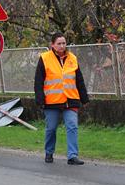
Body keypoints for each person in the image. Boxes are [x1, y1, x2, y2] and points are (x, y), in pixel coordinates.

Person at [34, 32, 89, 165]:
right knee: (51, 128)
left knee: (72, 126)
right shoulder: (44, 58)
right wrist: (40, 100)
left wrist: (84, 98)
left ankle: (72, 156)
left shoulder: (72, 58)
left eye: (64, 43)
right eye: (59, 43)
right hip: (51, 101)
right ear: (52, 44)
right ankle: (49, 152)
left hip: (71, 100)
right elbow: (38, 81)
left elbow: (79, 80)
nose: (62, 46)